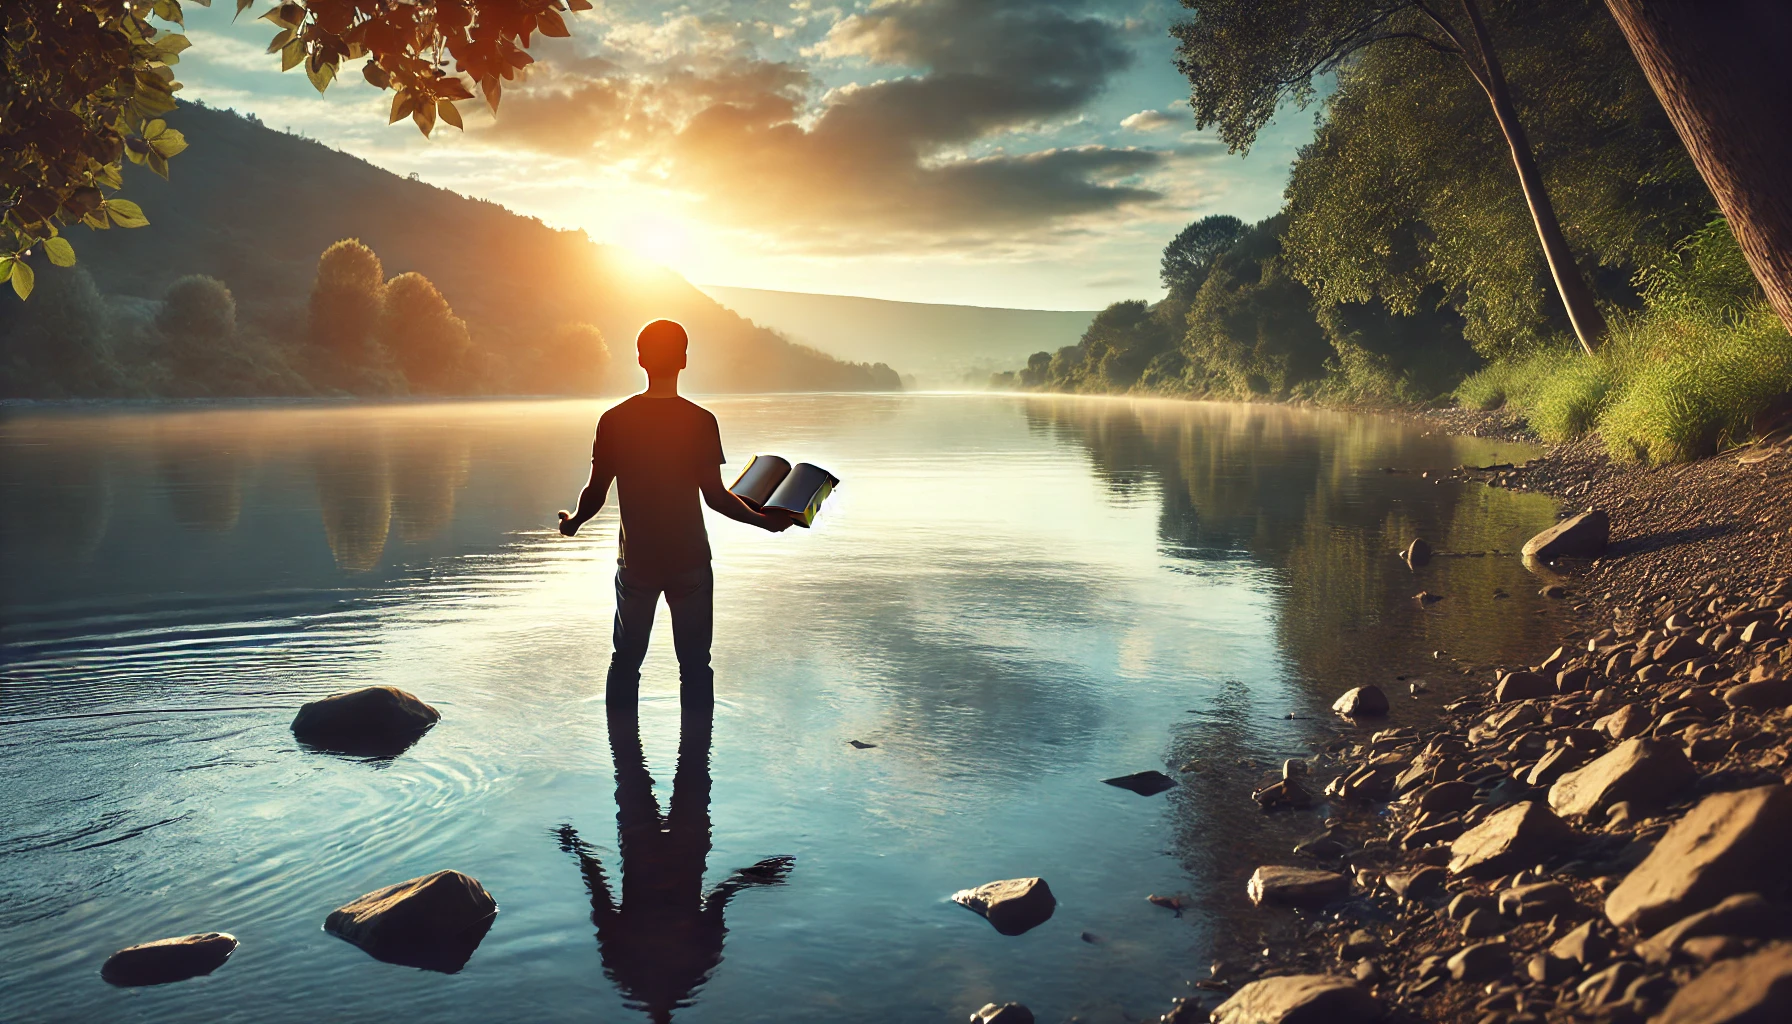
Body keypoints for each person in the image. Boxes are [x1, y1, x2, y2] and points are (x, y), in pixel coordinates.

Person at [557, 319, 790, 706]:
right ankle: (696, 763)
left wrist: (574, 523)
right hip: (690, 562)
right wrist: (765, 522)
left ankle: (626, 761)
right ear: (683, 360)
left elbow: (596, 491)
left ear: (640, 359)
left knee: (626, 662)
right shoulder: (700, 421)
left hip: (637, 563)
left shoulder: (614, 420)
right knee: (696, 665)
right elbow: (715, 496)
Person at [555, 703, 793, 1023]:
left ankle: (634, 700)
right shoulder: (640, 971)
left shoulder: (682, 972)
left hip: (676, 848)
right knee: (644, 763)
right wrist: (579, 851)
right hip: (655, 849)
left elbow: (601, 893)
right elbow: (600, 893)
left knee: (681, 761)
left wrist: (579, 849)